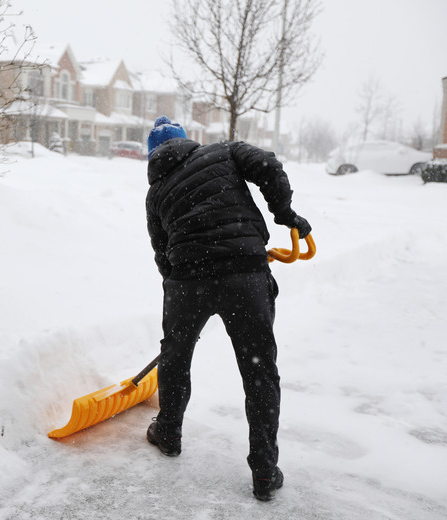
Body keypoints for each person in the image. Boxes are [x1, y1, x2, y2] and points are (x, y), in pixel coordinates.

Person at [143, 116, 311, 501]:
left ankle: (167, 433)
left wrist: (181, 287)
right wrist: (285, 215)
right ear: (188, 143)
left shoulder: (155, 194)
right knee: (259, 371)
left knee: (175, 355)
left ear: (153, 156)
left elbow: (161, 253)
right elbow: (267, 165)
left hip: (188, 281)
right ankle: (265, 471)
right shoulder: (224, 150)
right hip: (243, 274)